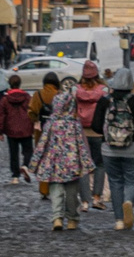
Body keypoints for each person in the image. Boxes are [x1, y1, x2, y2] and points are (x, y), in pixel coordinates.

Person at [29, 73, 89, 231]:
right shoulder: (74, 124)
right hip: (72, 163)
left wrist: (34, 163)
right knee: (71, 193)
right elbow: (81, 145)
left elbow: (42, 143)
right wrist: (87, 163)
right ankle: (71, 219)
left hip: (53, 163)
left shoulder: (50, 123)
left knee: (55, 191)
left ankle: (56, 218)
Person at [98, 66, 134, 229]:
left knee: (115, 182)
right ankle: (128, 201)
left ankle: (119, 220)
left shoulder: (105, 100)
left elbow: (95, 125)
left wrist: (108, 132)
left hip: (109, 149)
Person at [71, 60, 111, 210]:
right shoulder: (104, 90)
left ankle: (85, 202)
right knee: (100, 165)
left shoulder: (75, 90)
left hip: (80, 131)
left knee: (83, 167)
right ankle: (96, 198)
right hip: (98, 131)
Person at [2, 72, 31, 181]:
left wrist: (0, 131)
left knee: (13, 153)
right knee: (28, 150)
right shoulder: (27, 97)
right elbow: (31, 111)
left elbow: (1, 115)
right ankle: (25, 165)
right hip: (26, 128)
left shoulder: (5, 99)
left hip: (11, 129)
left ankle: (15, 176)